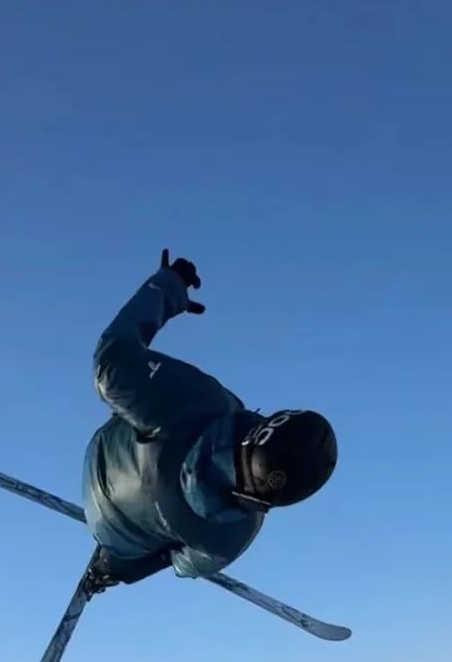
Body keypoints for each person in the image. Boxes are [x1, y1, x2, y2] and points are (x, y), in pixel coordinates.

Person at [81, 251, 338, 589]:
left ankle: (115, 564)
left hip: (102, 455)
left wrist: (167, 287)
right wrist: (122, 568)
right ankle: (108, 571)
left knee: (142, 398)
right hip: (116, 536)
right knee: (160, 554)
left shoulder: (201, 402)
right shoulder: (233, 537)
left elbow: (111, 364)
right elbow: (181, 564)